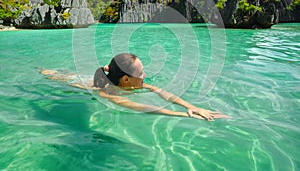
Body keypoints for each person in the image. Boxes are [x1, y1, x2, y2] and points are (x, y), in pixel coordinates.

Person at [41, 53, 230, 121]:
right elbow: (140, 107)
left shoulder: (136, 84)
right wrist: (180, 115)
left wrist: (191, 107)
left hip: (104, 79)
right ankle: (44, 70)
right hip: (78, 84)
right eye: (140, 74)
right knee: (58, 76)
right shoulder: (107, 94)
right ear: (125, 79)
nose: (145, 76)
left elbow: (162, 92)